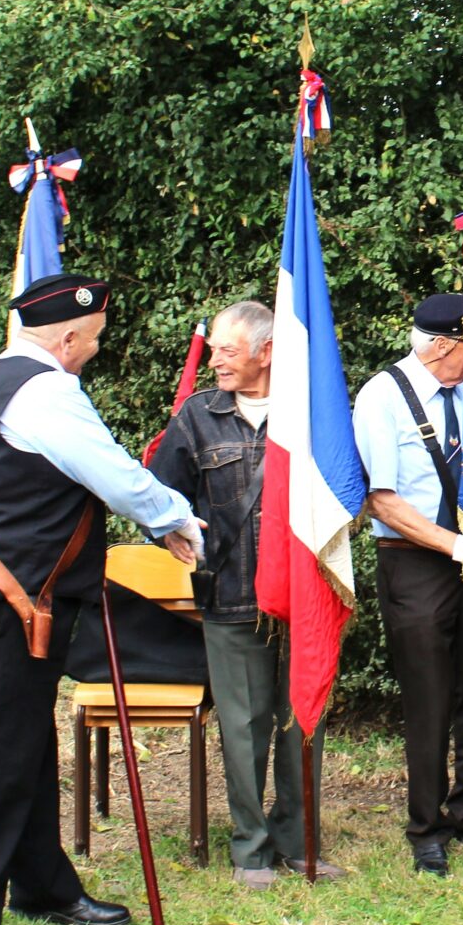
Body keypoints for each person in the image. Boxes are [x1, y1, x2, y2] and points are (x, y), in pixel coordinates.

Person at [0, 273, 204, 925]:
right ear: (69, 335)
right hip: (3, 602)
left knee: (20, 747)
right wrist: (173, 519)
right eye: (94, 341)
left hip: (1, 598)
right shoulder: (45, 390)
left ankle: (43, 888)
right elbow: (107, 470)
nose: (93, 353)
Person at [149, 300, 345, 890]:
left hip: (303, 598)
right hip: (231, 598)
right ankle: (251, 849)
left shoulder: (310, 413)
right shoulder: (196, 417)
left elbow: (344, 487)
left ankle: (298, 843)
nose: (216, 362)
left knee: (301, 721)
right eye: (214, 352)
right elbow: (157, 494)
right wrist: (169, 531)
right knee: (243, 727)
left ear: (266, 352)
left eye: (228, 351)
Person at [353, 294, 463, 877]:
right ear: (442, 345)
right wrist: (453, 546)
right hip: (414, 562)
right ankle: (426, 826)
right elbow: (382, 501)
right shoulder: (381, 396)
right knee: (429, 697)